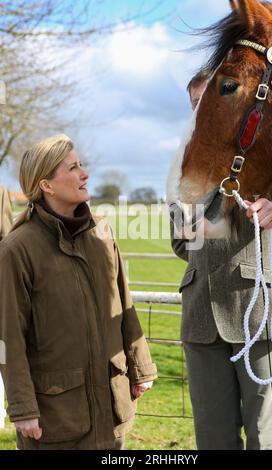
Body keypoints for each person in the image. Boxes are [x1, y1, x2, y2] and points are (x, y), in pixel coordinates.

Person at [0, 134, 157, 450]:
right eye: (73, 167)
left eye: (82, 165)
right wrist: (22, 408)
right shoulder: (17, 249)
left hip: (112, 406)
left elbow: (123, 302)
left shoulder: (102, 233)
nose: (85, 173)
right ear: (46, 185)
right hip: (54, 418)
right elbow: (8, 337)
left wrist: (141, 366)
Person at [170, 73, 272, 450]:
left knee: (267, 436)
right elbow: (180, 243)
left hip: (260, 312)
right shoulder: (185, 163)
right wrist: (195, 230)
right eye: (195, 105)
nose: (201, 112)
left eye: (208, 103)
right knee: (213, 440)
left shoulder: (270, 146)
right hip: (200, 319)